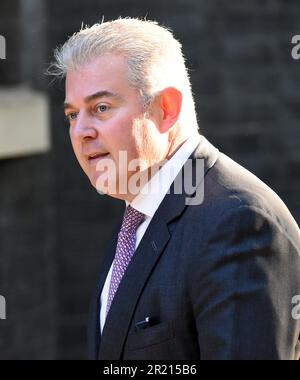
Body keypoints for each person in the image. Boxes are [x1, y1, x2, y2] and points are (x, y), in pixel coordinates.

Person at [49, 18, 300, 360]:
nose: (81, 132)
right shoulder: (139, 214)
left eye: (101, 108)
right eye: (72, 115)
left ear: (166, 109)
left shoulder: (239, 223)